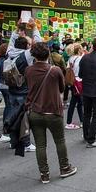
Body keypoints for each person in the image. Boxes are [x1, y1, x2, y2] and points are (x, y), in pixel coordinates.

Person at [26, 42, 77, 183]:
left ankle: (44, 174)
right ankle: (64, 167)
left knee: (40, 145)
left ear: (34, 55)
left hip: (35, 111)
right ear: (47, 54)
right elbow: (62, 88)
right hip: (53, 111)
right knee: (59, 141)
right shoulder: (55, 70)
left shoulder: (28, 70)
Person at [5, 19, 41, 152]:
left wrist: (16, 29)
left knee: (13, 115)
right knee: (24, 118)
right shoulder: (26, 56)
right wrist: (35, 28)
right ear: (27, 46)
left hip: (12, 90)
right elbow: (39, 44)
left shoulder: (10, 53)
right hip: (23, 91)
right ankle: (25, 143)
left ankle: (13, 142)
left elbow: (11, 42)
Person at [65, 43, 85, 130]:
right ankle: (70, 122)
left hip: (72, 81)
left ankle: (80, 121)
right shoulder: (80, 59)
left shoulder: (70, 59)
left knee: (77, 101)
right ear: (79, 50)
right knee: (76, 102)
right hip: (79, 81)